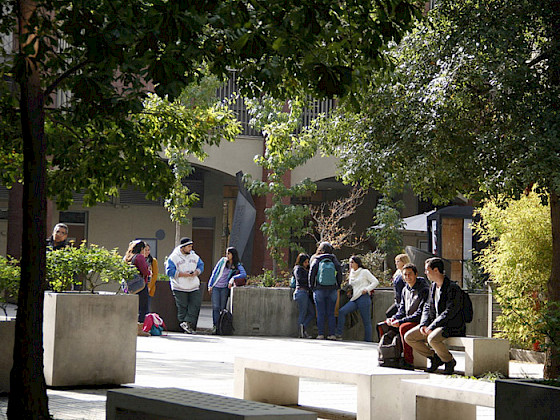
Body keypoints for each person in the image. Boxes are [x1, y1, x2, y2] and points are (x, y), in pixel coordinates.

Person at [404, 257, 466, 374]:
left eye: (427, 270)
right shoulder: (432, 287)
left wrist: (432, 326)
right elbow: (427, 307)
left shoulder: (452, 288)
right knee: (409, 337)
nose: (425, 273)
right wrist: (423, 324)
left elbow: (449, 312)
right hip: (434, 324)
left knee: (432, 338)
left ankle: (449, 361)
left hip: (450, 325)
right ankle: (435, 358)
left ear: (436, 270)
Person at [381, 263, 429, 368]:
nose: (407, 277)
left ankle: (408, 360)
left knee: (403, 327)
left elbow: (420, 313)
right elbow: (401, 309)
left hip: (420, 321)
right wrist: (394, 318)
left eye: (410, 274)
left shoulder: (424, 290)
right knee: (383, 325)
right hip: (408, 319)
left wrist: (401, 321)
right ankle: (388, 356)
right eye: (405, 275)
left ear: (416, 274)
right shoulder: (405, 289)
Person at [165, 237, 204, 334]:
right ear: (183, 247)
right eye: (189, 246)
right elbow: (169, 271)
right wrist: (184, 275)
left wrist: (196, 272)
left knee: (195, 304)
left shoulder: (194, 256)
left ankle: (187, 323)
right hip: (179, 286)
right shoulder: (173, 257)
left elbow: (201, 265)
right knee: (182, 306)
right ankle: (184, 325)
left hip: (193, 285)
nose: (191, 248)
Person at [335, 255, 378, 342]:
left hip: (363, 298)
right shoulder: (352, 273)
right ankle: (338, 334)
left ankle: (368, 340)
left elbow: (375, 282)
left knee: (366, 321)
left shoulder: (364, 272)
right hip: (354, 298)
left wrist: (367, 289)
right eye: (350, 262)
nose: (350, 264)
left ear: (357, 263)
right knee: (342, 311)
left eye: (352, 262)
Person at [208, 246, 246, 334]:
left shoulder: (237, 265)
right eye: (226, 253)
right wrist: (210, 285)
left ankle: (221, 326)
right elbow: (215, 272)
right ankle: (215, 326)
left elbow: (244, 274)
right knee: (215, 307)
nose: (227, 255)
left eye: (228, 253)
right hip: (216, 286)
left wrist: (232, 278)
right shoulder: (222, 261)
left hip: (224, 288)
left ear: (233, 255)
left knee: (222, 307)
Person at [308, 242, 342, 340]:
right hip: (332, 290)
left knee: (320, 312)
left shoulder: (317, 259)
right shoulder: (334, 260)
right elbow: (339, 273)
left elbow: (311, 274)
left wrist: (312, 287)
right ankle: (332, 334)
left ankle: (321, 334)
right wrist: (338, 285)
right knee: (331, 313)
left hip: (319, 289)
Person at [124, 240, 151, 336]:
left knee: (132, 307)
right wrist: (149, 272)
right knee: (143, 307)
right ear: (141, 248)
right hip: (140, 286)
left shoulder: (128, 257)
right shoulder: (139, 257)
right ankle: (139, 329)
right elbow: (144, 271)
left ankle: (129, 327)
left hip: (130, 286)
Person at [292, 253, 314, 339]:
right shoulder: (298, 269)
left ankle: (303, 327)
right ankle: (300, 331)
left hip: (305, 293)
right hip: (301, 292)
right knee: (303, 312)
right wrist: (309, 278)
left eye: (308, 262)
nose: (307, 264)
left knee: (311, 312)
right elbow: (300, 279)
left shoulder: (305, 269)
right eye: (305, 262)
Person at [385, 253, 410, 318]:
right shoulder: (397, 273)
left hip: (403, 300)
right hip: (398, 300)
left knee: (391, 314)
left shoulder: (406, 274)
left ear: (403, 262)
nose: (396, 263)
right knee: (389, 314)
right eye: (396, 261)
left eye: (398, 261)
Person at [144, 244, 158, 312]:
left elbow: (155, 275)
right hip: (139, 287)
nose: (147, 252)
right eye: (145, 250)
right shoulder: (137, 260)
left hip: (149, 288)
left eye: (148, 250)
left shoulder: (152, 261)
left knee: (147, 309)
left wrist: (149, 286)